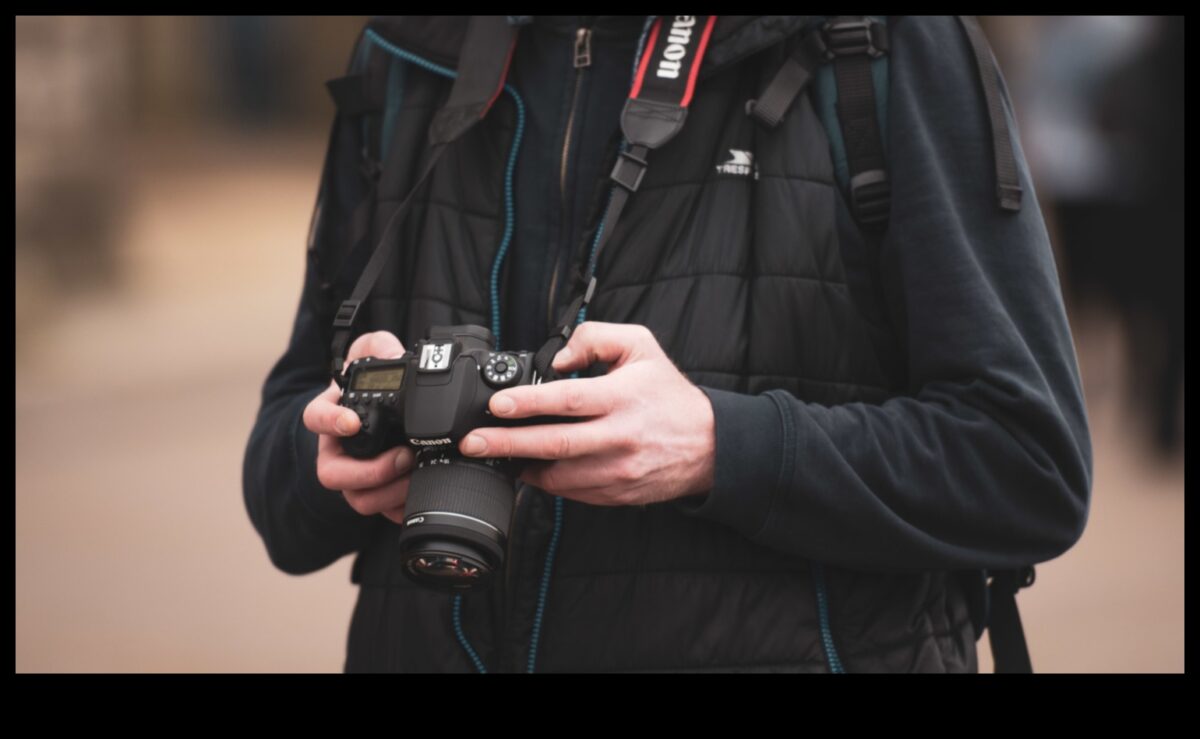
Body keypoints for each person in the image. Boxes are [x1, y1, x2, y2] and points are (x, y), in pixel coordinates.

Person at [243, 15, 1093, 673]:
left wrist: (721, 446)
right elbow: (280, 498)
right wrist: (339, 455)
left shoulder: (878, 47)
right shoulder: (406, 50)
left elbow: (1029, 463)